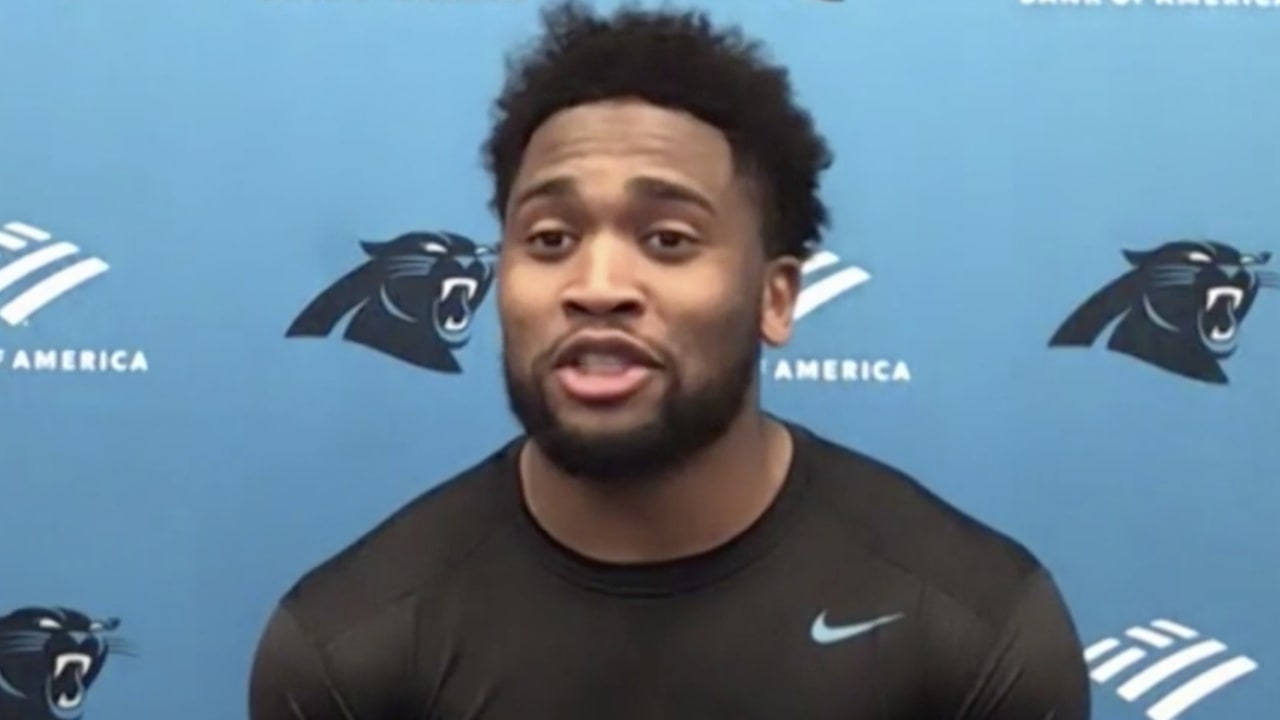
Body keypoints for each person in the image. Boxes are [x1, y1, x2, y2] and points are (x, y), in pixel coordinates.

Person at [248, 2, 1092, 718]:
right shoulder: (348, 652)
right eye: (550, 239)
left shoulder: (971, 629)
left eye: (667, 239)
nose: (598, 285)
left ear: (776, 297)